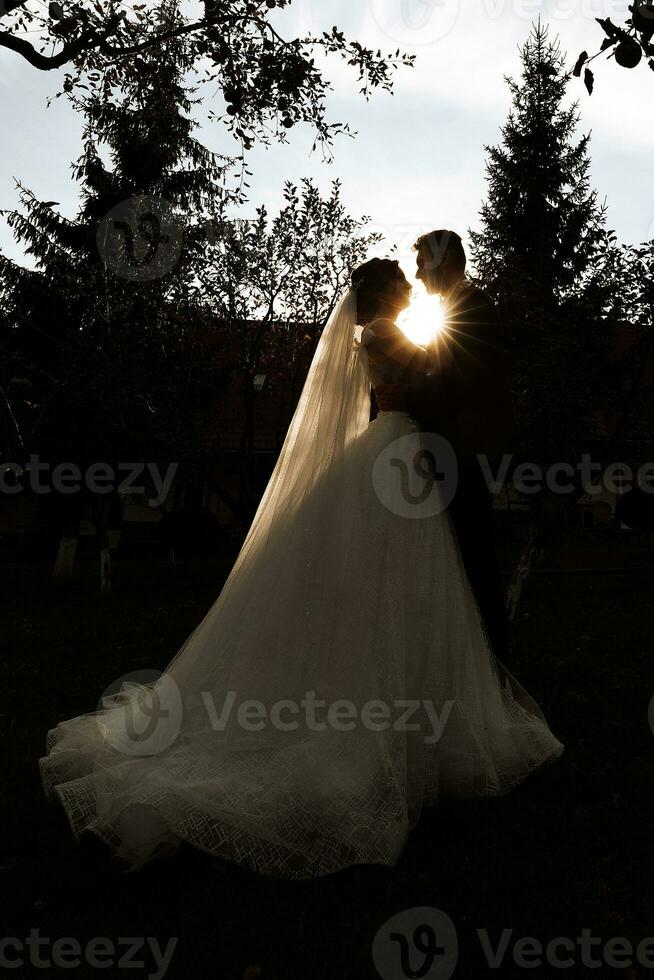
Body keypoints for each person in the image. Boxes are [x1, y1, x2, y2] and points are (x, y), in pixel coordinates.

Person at [40, 258, 562, 880]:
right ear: (381, 291)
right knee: (393, 585)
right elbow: (429, 381)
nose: (407, 285)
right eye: (399, 279)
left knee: (394, 588)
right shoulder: (386, 333)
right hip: (398, 453)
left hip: (396, 454)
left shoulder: (379, 332)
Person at [376, 231, 515, 664]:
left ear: (442, 262)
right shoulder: (456, 307)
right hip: (451, 453)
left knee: (473, 565)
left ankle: (491, 668)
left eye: (422, 265)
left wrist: (406, 396)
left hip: (462, 455)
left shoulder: (471, 308)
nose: (417, 275)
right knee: (458, 564)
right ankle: (467, 664)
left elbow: (459, 386)